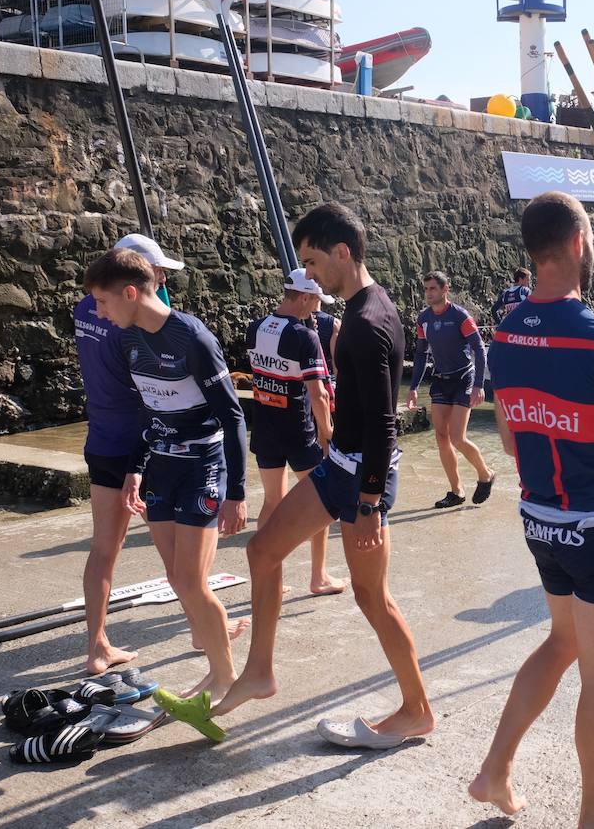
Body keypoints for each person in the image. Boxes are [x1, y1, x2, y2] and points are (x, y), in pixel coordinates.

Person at [192, 203, 433, 750]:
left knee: (373, 597)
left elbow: (383, 424)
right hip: (339, 467)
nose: (309, 275)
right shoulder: (365, 309)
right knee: (262, 552)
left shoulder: (367, 326)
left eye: (313, 261)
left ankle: (417, 709)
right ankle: (259, 672)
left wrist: (370, 502)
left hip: (361, 480)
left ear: (342, 252)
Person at [468, 191, 594, 829]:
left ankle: (494, 770)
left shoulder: (503, 335)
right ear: (579, 245)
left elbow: (507, 437)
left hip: (540, 519)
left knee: (562, 641)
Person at [84, 248, 247, 716]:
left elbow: (233, 415)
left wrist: (236, 491)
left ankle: (224, 675)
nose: (98, 312)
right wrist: (135, 467)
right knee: (177, 578)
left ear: (130, 293)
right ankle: (219, 670)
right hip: (160, 466)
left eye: (103, 301)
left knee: (194, 582)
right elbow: (148, 409)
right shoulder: (128, 339)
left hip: (202, 466)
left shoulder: (192, 336)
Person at [73, 234, 189, 675]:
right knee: (175, 548)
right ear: (134, 279)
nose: (161, 279)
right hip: (141, 444)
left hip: (101, 438)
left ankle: (97, 646)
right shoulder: (135, 324)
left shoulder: (88, 307)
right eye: (156, 272)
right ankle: (201, 629)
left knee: (104, 547)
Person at [246, 269, 346, 597]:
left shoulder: (256, 327)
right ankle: (318, 576)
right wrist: (327, 432)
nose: (316, 308)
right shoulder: (305, 337)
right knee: (322, 501)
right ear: (304, 296)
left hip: (264, 426)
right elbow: (317, 394)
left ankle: (268, 574)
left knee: (273, 501)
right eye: (315, 300)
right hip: (299, 430)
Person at [405, 271, 496, 508]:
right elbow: (421, 354)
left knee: (457, 437)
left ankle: (485, 474)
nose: (428, 293)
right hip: (441, 380)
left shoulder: (460, 316)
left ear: (445, 290)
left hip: (464, 378)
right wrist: (413, 387)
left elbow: (479, 349)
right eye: (426, 289)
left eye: (433, 288)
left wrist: (478, 385)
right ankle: (457, 491)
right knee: (441, 436)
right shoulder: (424, 318)